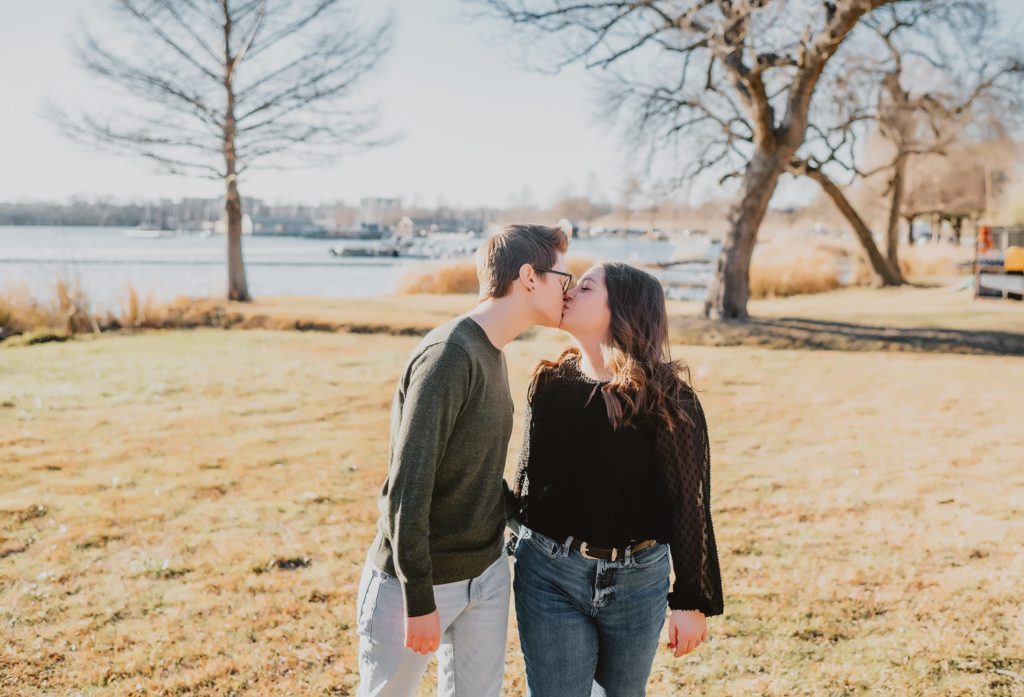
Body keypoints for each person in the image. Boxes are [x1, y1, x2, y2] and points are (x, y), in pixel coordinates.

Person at [356, 224, 574, 697]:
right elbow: (407, 490)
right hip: (417, 583)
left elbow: (476, 471)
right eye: (563, 276)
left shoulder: (494, 350)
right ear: (529, 277)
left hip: (487, 576)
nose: (568, 289)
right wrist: (418, 600)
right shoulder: (450, 355)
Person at [508, 262, 724, 697]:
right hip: (549, 575)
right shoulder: (550, 382)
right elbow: (527, 487)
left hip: (637, 581)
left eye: (586, 287)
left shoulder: (667, 398)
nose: (569, 292)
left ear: (621, 309)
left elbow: (688, 503)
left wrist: (690, 599)